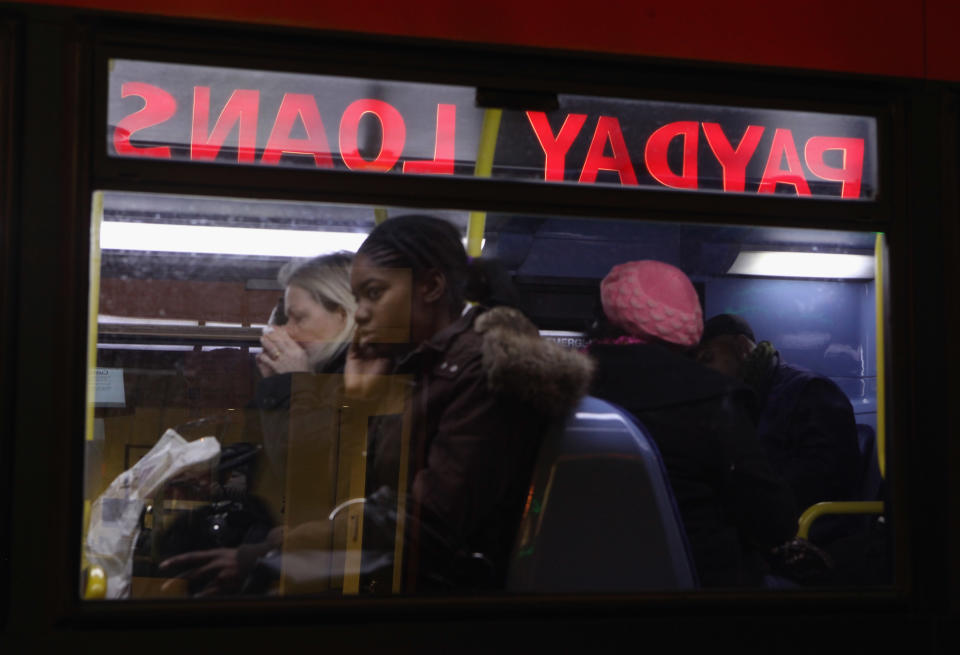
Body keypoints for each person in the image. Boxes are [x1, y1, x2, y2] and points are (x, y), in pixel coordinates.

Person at [344, 214, 593, 592]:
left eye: (374, 293)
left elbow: (430, 525)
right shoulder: (412, 367)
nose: (360, 313)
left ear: (430, 286)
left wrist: (285, 545)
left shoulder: (480, 372)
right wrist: (361, 400)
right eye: (357, 298)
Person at [586, 261, 796, 587]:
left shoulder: (555, 387)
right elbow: (773, 521)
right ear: (689, 328)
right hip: (700, 593)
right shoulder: (714, 397)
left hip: (572, 586)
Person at [695, 313, 862, 517]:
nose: (703, 372)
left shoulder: (810, 392)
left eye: (708, 358)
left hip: (810, 530)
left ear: (740, 347)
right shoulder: (739, 401)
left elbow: (826, 482)